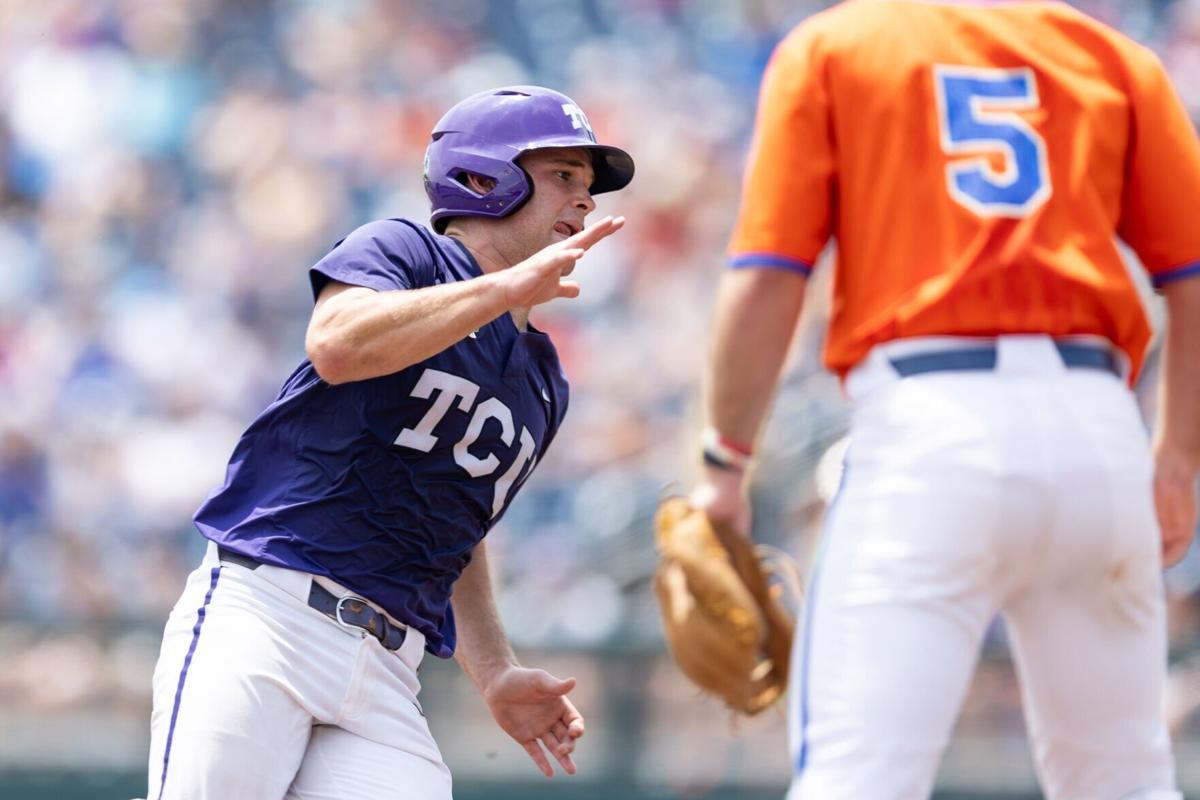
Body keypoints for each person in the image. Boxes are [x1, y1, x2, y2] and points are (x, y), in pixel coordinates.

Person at [688, 2, 1200, 798]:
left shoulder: (837, 44)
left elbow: (767, 277)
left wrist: (724, 463)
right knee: (1127, 783)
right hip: (1100, 431)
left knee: (857, 781)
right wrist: (1176, 460)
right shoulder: (1116, 58)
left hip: (930, 428)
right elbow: (1193, 277)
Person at [144, 85, 633, 800]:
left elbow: (455, 521)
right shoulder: (404, 250)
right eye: (564, 175)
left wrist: (493, 669)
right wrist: (502, 290)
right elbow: (337, 344)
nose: (585, 201)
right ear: (480, 179)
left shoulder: (543, 378)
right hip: (267, 616)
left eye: (589, 187)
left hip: (387, 668)